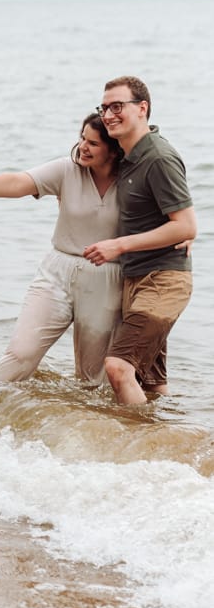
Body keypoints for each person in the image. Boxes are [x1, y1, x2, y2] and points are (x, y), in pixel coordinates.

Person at [0, 113, 124, 384]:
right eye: (82, 138)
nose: (83, 147)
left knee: (91, 377)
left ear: (113, 151)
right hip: (57, 272)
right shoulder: (67, 169)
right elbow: (17, 182)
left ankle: (79, 425)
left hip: (106, 278)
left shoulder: (133, 181)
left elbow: (168, 216)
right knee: (20, 353)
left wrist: (182, 236)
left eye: (94, 143)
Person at [83, 76, 196, 407]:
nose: (109, 114)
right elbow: (88, 147)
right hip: (137, 279)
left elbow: (187, 226)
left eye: (117, 106)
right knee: (152, 383)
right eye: (104, 107)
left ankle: (136, 448)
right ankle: (166, 445)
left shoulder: (158, 157)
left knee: (118, 367)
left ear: (142, 108)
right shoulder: (127, 153)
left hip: (163, 281)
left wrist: (118, 246)